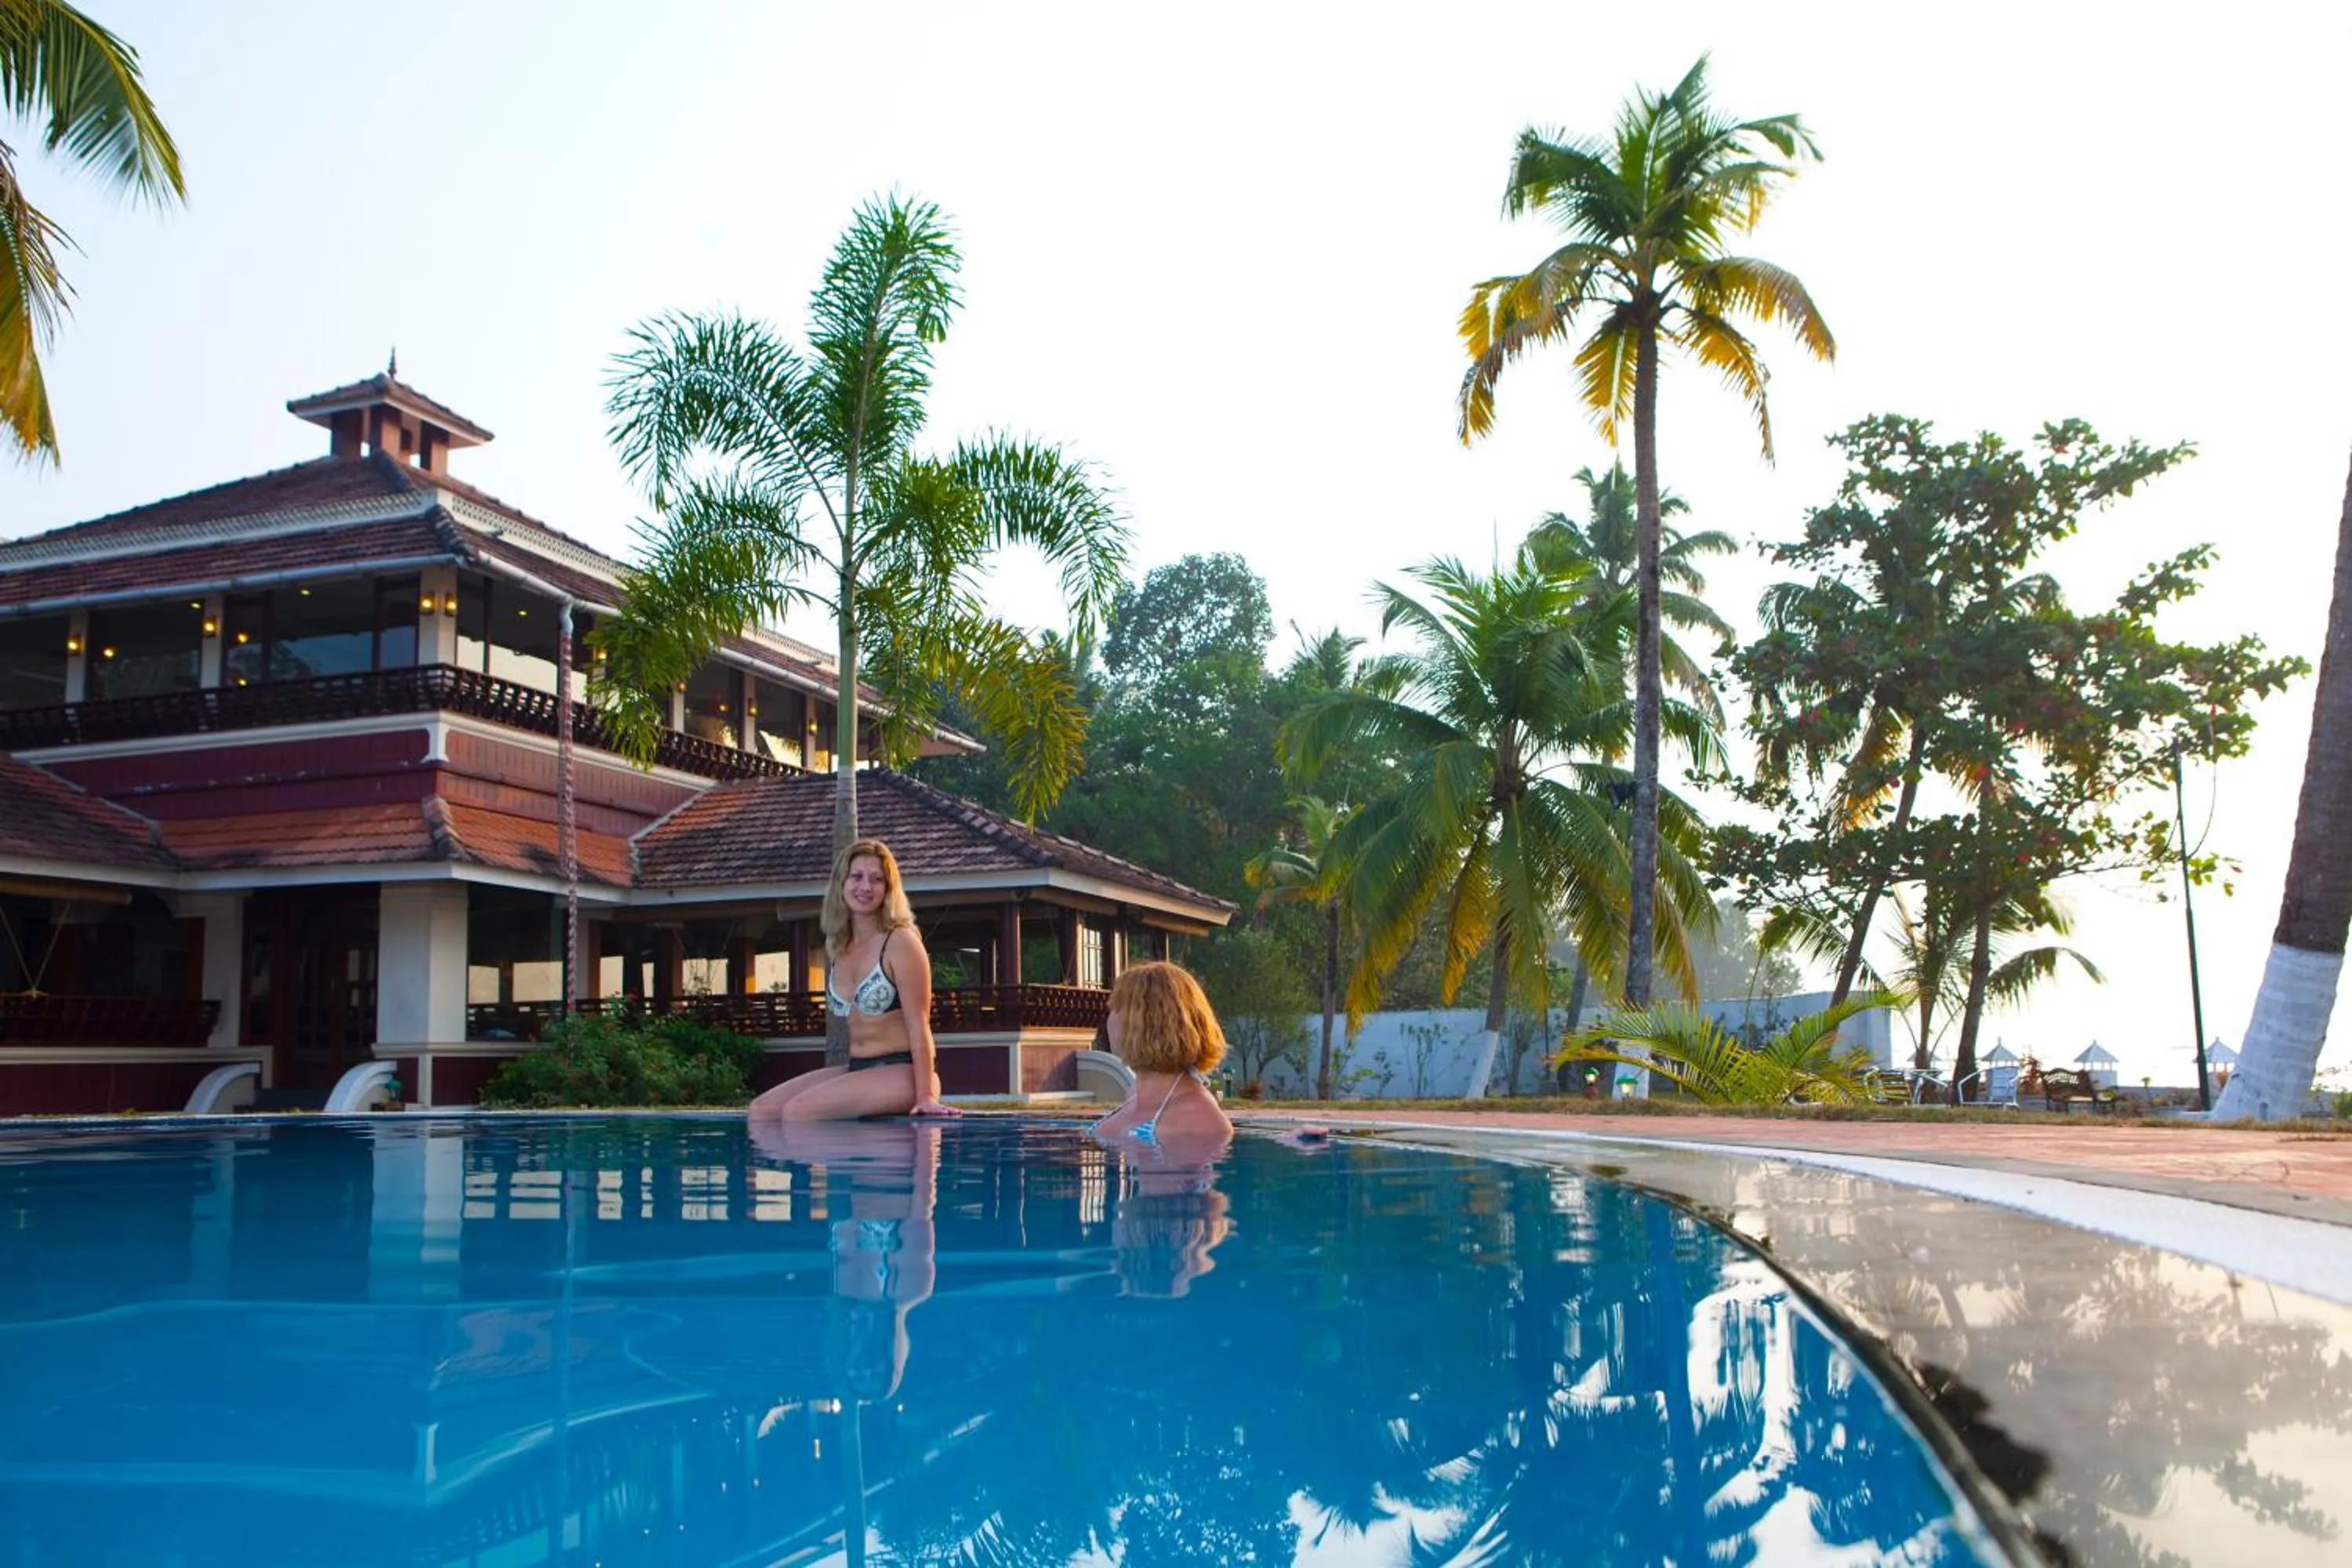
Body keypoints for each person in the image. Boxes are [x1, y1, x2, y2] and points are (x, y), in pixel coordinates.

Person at [748, 838, 959, 1121]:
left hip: (902, 1072)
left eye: (877, 879)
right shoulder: (838, 946)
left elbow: (919, 1025)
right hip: (859, 1069)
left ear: (888, 889)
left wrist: (925, 1097)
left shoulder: (900, 942)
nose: (865, 887)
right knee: (762, 1112)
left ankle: (826, 1164)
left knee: (799, 1112)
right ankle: (805, 1165)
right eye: (856, 877)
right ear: (841, 884)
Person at [1091, 960, 1234, 1153]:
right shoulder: (1135, 1095)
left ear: (1148, 1023)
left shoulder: (1197, 1119)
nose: (1109, 1019)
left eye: (1116, 1008)